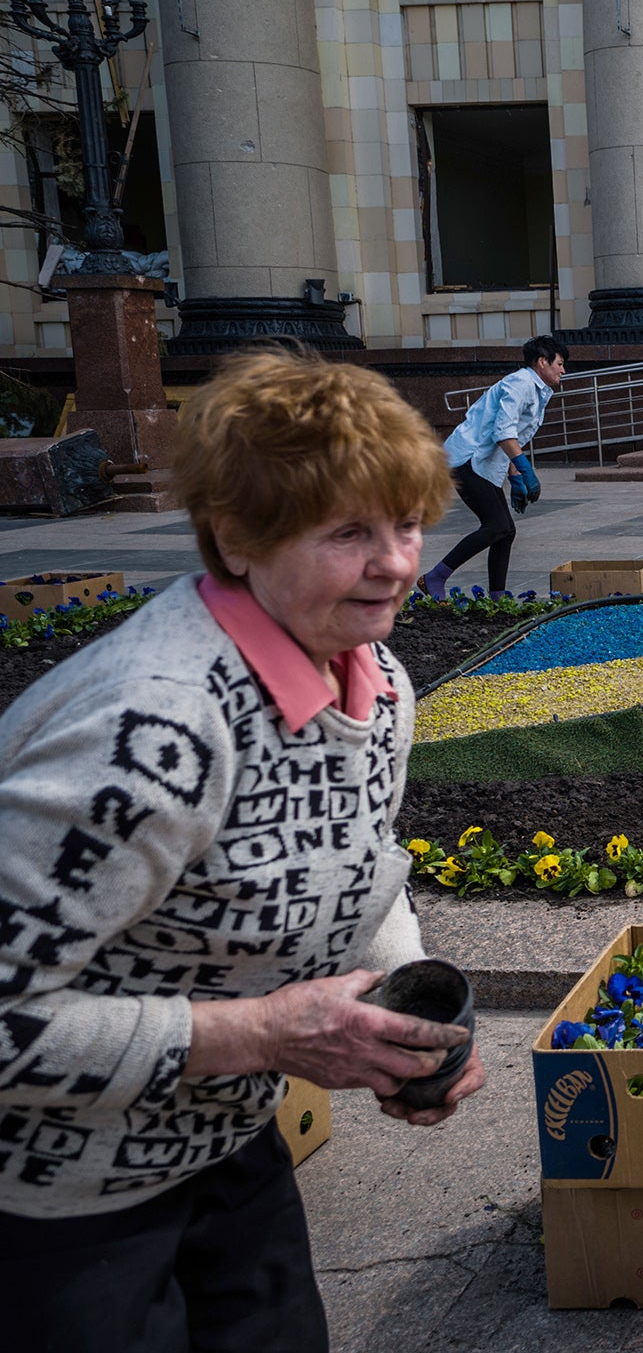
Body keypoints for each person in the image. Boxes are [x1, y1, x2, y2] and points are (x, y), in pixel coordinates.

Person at [0, 352, 484, 1351]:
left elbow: (364, 856)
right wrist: (265, 1035)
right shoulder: (148, 732)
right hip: (55, 1208)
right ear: (235, 535)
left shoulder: (373, 677)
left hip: (224, 1147)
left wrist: (402, 1013)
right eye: (349, 532)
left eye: (405, 520)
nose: (397, 561)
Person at [421, 333, 567, 598]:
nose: (563, 369)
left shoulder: (537, 390)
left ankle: (497, 596)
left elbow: (512, 439)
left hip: (483, 464)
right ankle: (434, 577)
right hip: (466, 459)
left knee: (506, 531)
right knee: (497, 526)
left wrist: (515, 478)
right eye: (560, 363)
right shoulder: (521, 383)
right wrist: (526, 471)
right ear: (542, 361)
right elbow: (503, 432)